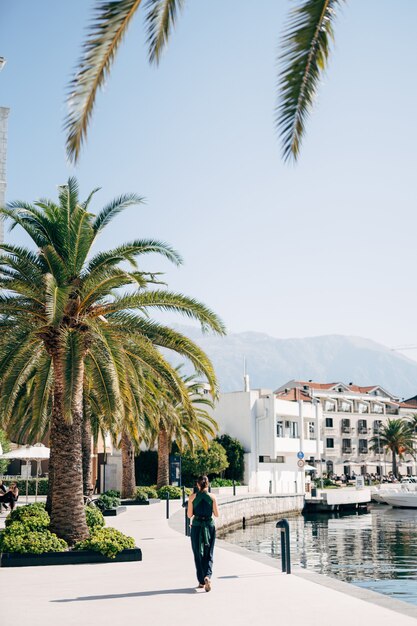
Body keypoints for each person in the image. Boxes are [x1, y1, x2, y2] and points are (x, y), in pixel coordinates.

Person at [187, 475, 219, 592]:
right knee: (209, 552)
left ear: (198, 485)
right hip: (209, 527)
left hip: (196, 527)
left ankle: (201, 581)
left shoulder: (192, 497)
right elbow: (216, 514)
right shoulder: (212, 497)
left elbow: (189, 515)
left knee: (197, 553)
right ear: (208, 484)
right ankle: (207, 576)